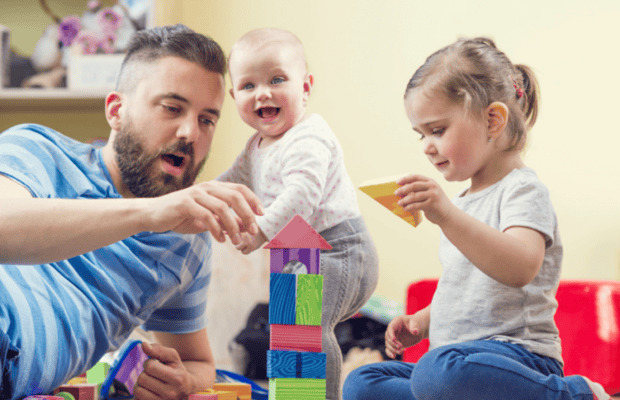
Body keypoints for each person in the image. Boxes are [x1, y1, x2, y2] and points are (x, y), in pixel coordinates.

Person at [0, 24, 264, 400]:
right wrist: (149, 213)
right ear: (116, 110)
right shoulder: (37, 149)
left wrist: (183, 381)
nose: (190, 132)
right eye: (172, 108)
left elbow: (199, 363)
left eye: (207, 119)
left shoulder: (185, 240)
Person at [342, 37, 613, 400]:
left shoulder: (522, 190)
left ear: (493, 120)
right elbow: (465, 290)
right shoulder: (463, 202)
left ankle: (574, 394)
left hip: (519, 360)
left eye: (437, 130)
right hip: (459, 361)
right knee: (363, 382)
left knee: (437, 372)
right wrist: (423, 321)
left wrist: (446, 215)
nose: (426, 145)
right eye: (420, 134)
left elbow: (519, 267)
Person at [217, 28, 379, 400]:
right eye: (248, 85)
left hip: (340, 249)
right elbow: (230, 184)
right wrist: (199, 197)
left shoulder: (309, 137)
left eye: (277, 80)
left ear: (305, 87)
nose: (263, 93)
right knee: (286, 332)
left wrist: (258, 230)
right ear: (234, 96)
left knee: (306, 328)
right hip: (296, 253)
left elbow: (300, 196)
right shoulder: (256, 146)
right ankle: (293, 395)